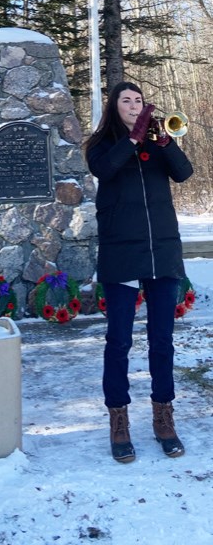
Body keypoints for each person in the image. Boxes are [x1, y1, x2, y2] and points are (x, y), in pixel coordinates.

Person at [85, 81, 193, 464]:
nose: (134, 105)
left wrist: (166, 143)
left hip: (161, 252)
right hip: (121, 255)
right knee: (119, 342)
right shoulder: (102, 144)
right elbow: (103, 169)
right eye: (126, 100)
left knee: (162, 340)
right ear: (114, 107)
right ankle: (119, 422)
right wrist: (131, 139)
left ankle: (164, 419)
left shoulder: (157, 141)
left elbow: (184, 173)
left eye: (138, 100)